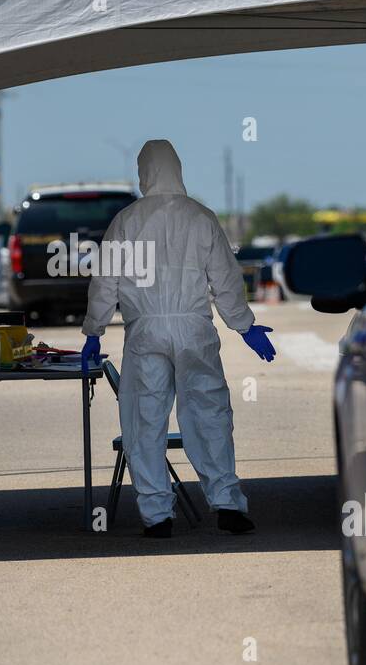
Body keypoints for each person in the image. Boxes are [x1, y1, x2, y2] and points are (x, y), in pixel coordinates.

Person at [80, 139, 276, 538]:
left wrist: (94, 331)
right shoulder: (201, 217)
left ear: (144, 173)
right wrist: (244, 325)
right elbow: (224, 278)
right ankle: (227, 504)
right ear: (178, 169)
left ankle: (157, 516)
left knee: (144, 421)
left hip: (145, 330)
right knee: (209, 415)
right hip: (194, 329)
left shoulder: (126, 220)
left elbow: (106, 283)